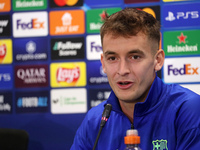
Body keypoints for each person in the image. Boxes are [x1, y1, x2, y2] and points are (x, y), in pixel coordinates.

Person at [70, 8, 200, 150]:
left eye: (135, 57)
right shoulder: (94, 121)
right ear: (103, 63)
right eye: (112, 58)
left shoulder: (187, 110)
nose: (122, 70)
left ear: (158, 60)